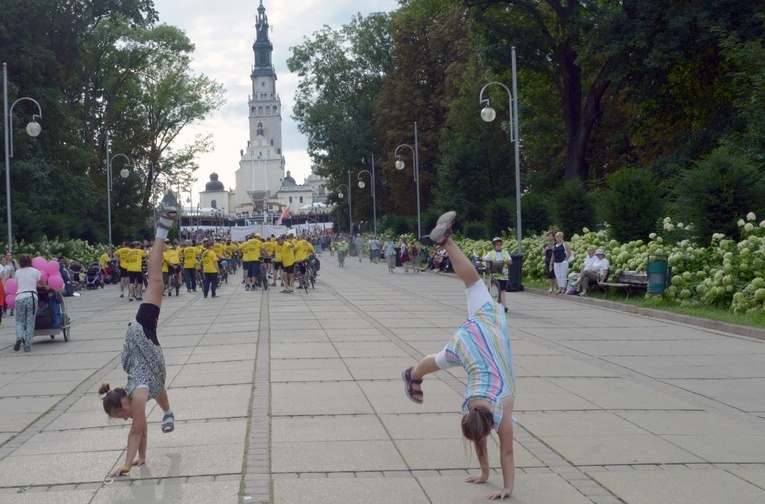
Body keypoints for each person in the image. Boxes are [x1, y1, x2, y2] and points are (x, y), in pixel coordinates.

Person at [404, 211, 516, 501]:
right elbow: (484, 438)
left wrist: (504, 484)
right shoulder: (471, 408)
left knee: (474, 284)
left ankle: (414, 375)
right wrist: (493, 480)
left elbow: (506, 450)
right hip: (469, 345)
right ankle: (414, 374)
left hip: (488, 333)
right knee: (441, 359)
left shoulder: (502, 407)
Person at [99, 210, 177, 479]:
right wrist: (143, 456)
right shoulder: (136, 397)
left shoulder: (140, 397)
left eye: (121, 415)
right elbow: (141, 429)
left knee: (155, 279)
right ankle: (169, 412)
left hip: (142, 335)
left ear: (124, 401)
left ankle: (162, 229)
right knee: (155, 280)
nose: (124, 419)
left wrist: (125, 466)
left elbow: (136, 431)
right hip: (146, 353)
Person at [13, 254, 51, 352]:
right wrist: (47, 288)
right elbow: (42, 283)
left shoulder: (17, 272)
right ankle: (27, 346)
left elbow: (17, 283)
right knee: (30, 321)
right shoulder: (35, 271)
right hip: (31, 296)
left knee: (19, 320)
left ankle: (20, 337)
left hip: (19, 297)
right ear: (30, 261)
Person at [483, 237, 513, 311]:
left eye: (500, 244)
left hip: (504, 275)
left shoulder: (505, 252)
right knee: (500, 290)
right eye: (497, 245)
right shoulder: (491, 253)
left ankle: (503, 305)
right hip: (495, 275)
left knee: (502, 290)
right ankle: (502, 306)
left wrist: (507, 261)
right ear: (494, 246)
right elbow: (485, 259)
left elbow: (510, 261)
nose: (499, 246)